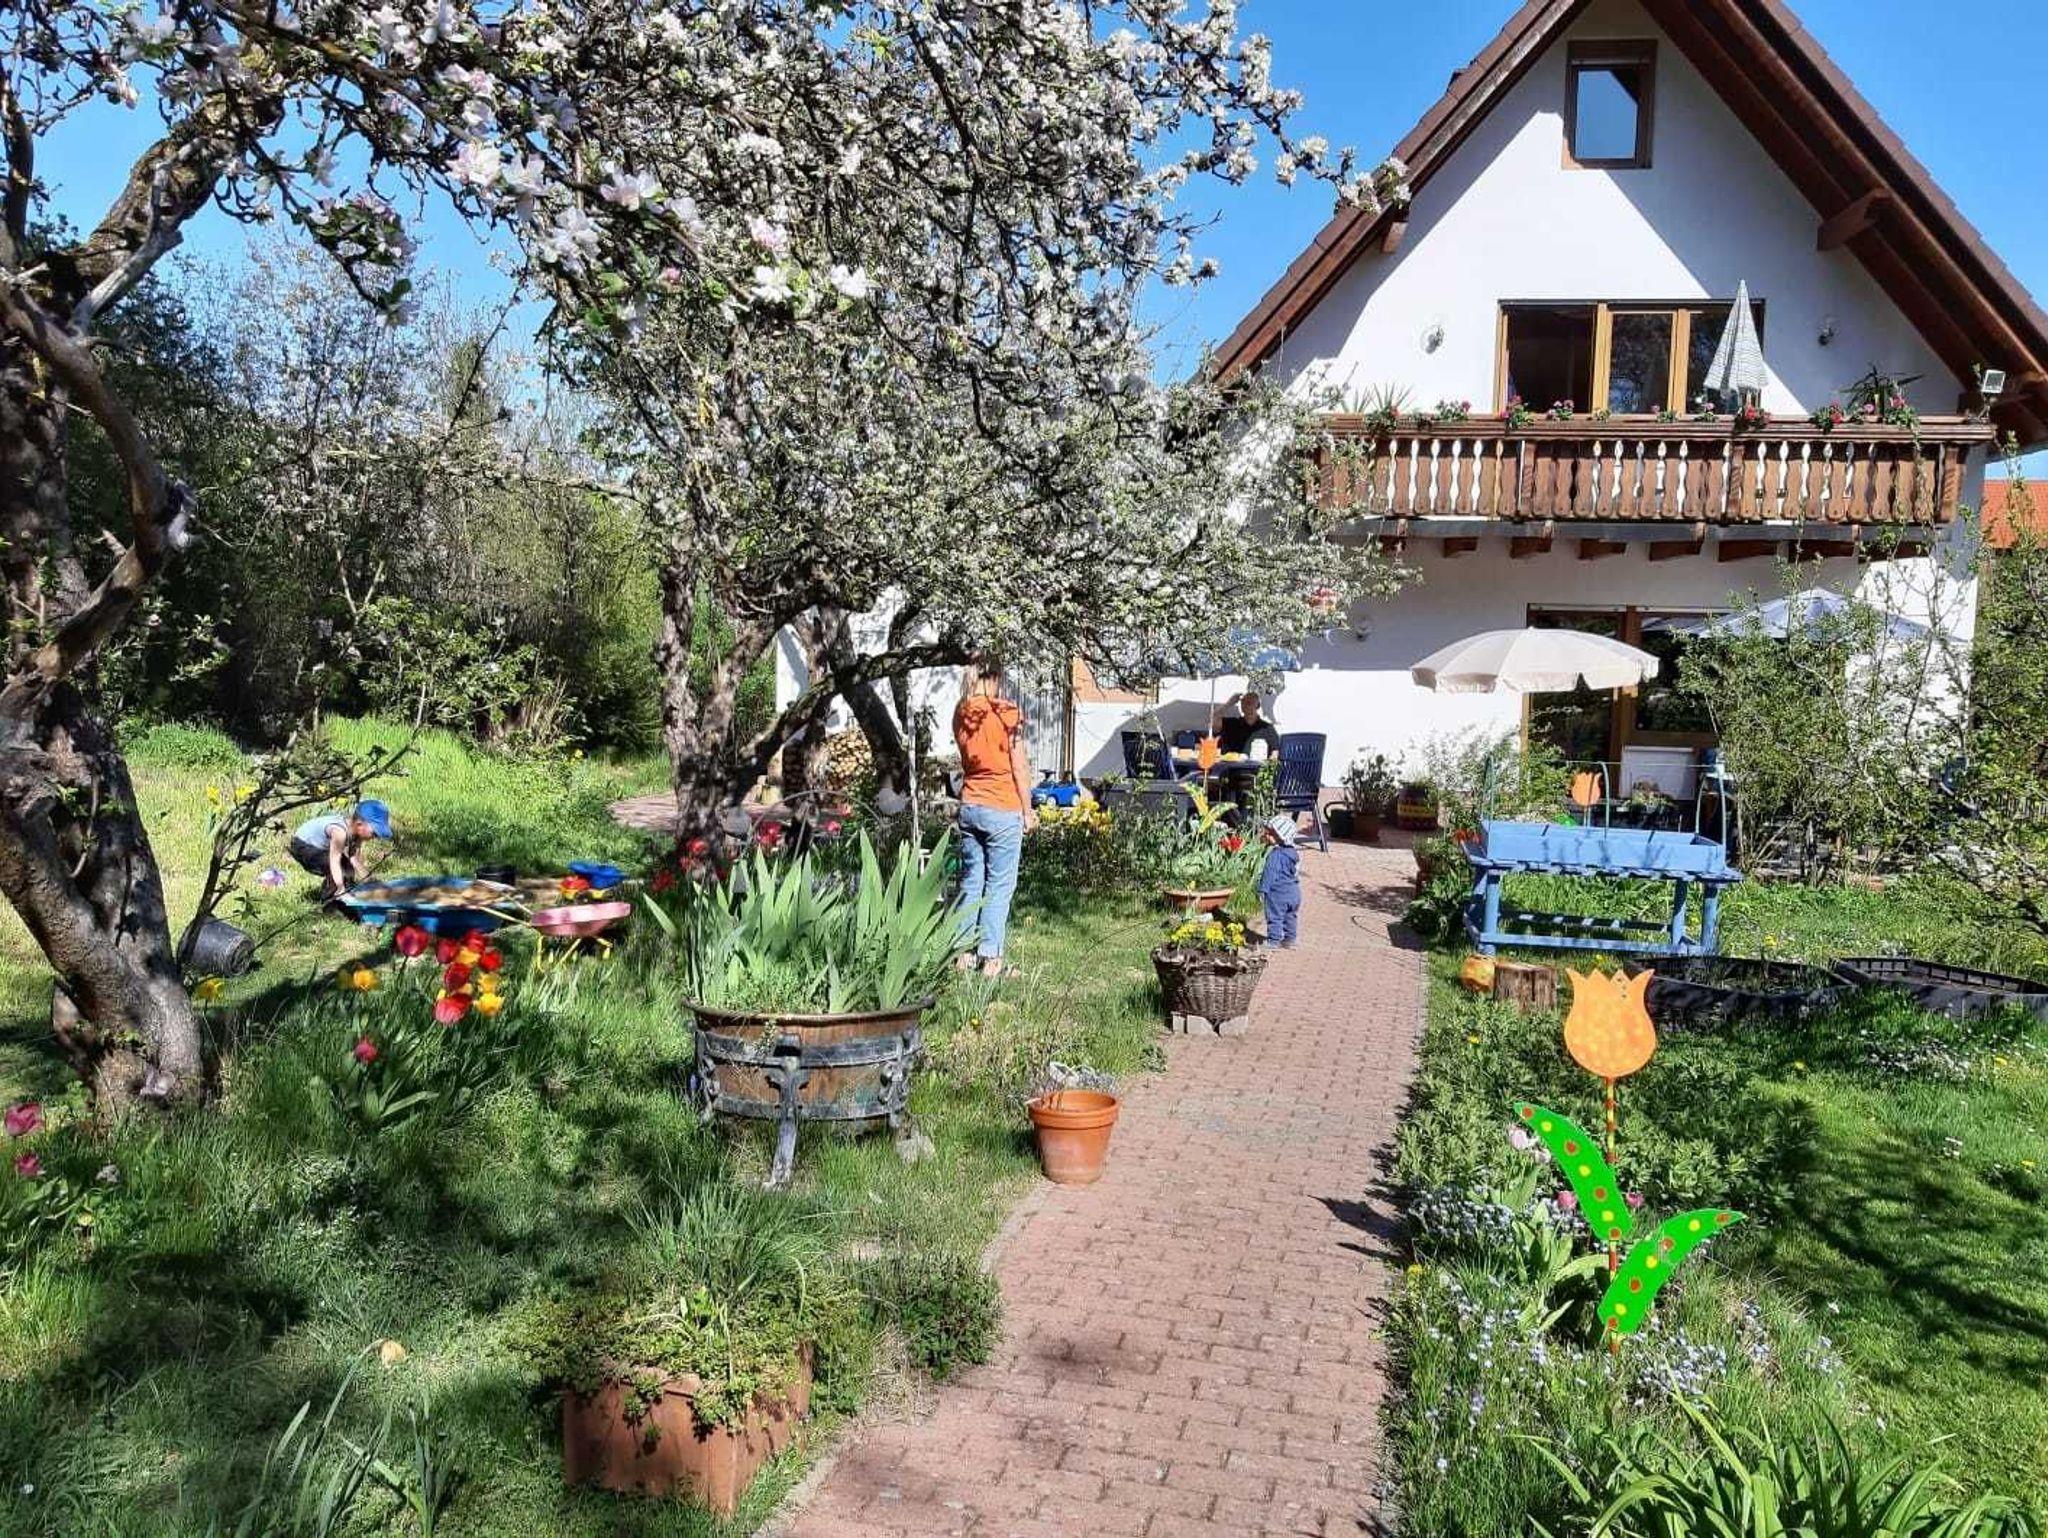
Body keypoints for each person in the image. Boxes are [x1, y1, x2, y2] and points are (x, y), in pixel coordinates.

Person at [952, 658, 1035, 978]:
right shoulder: (1006, 712)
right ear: (996, 675)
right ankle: (991, 958)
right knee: (1000, 885)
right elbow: (1019, 766)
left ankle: (963, 955)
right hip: (1002, 806)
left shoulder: (961, 712)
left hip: (970, 806)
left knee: (972, 881)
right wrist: (1028, 811)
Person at [290, 800, 392, 898]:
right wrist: (340, 887)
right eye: (374, 833)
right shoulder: (340, 832)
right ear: (359, 824)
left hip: (319, 847)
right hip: (302, 845)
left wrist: (369, 880)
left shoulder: (357, 833)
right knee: (339, 871)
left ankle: (344, 892)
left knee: (348, 869)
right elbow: (334, 861)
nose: (376, 837)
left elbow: (354, 860)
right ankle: (331, 899)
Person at [1257, 812, 1302, 949]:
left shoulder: (1276, 855)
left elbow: (1269, 873)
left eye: (1270, 833)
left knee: (1274, 915)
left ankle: (1273, 940)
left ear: (1280, 837)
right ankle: (1290, 939)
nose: (1267, 835)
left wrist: (1263, 889)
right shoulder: (1293, 853)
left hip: (1278, 892)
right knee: (1290, 916)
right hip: (1294, 891)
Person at [1213, 691, 1282, 760]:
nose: (1246, 706)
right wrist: (1229, 703)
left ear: (1258, 706)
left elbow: (1275, 752)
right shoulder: (1232, 723)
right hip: (1230, 765)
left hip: (1256, 766)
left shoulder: (1267, 728)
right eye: (1243, 703)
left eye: (1250, 703)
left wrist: (1269, 764)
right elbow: (1214, 719)